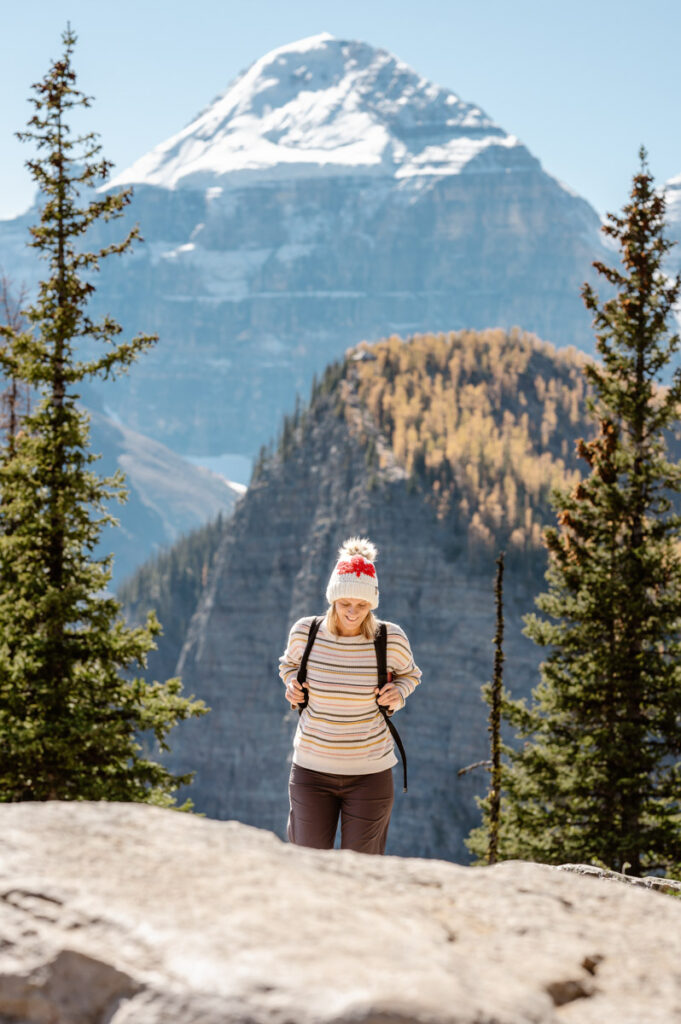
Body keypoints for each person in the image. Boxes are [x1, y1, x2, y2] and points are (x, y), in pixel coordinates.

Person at [278, 537, 421, 854]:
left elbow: (411, 674)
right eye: (345, 605)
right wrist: (292, 685)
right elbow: (288, 665)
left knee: (362, 870)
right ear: (332, 600)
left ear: (372, 604)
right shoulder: (307, 632)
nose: (353, 613)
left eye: (362, 605)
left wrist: (399, 692)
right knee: (307, 863)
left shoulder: (390, 638)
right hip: (310, 772)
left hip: (369, 774)